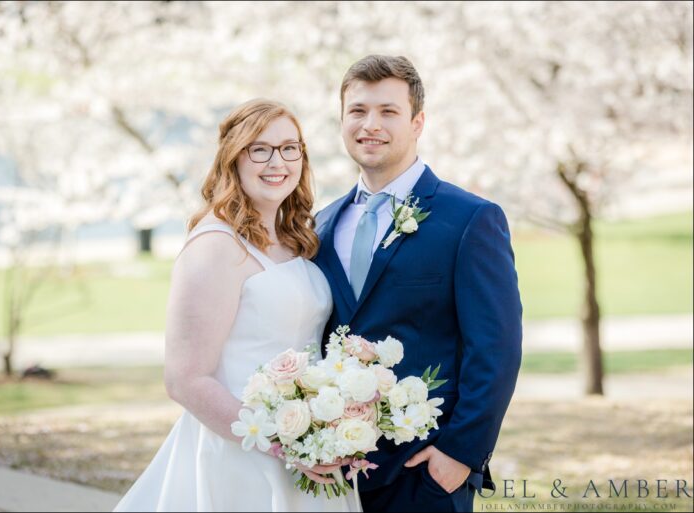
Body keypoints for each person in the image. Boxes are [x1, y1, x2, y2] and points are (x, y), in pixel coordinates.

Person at [114, 99, 357, 512]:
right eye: (259, 149)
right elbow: (185, 378)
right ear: (233, 158)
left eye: (289, 148)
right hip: (242, 456)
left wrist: (323, 433)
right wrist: (285, 443)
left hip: (311, 449)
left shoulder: (293, 239)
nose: (276, 161)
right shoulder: (215, 245)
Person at [313, 55, 523, 512]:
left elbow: (496, 349)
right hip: (332, 476)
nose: (371, 124)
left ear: (417, 122)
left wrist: (460, 455)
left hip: (425, 474)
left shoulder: (470, 220)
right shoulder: (320, 226)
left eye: (388, 111)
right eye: (358, 111)